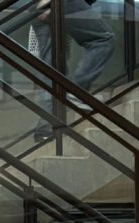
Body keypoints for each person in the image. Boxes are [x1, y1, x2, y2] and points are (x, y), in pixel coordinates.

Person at [33, 0, 115, 141]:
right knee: (103, 39)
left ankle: (45, 129)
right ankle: (77, 91)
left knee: (53, 68)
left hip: (38, 7)